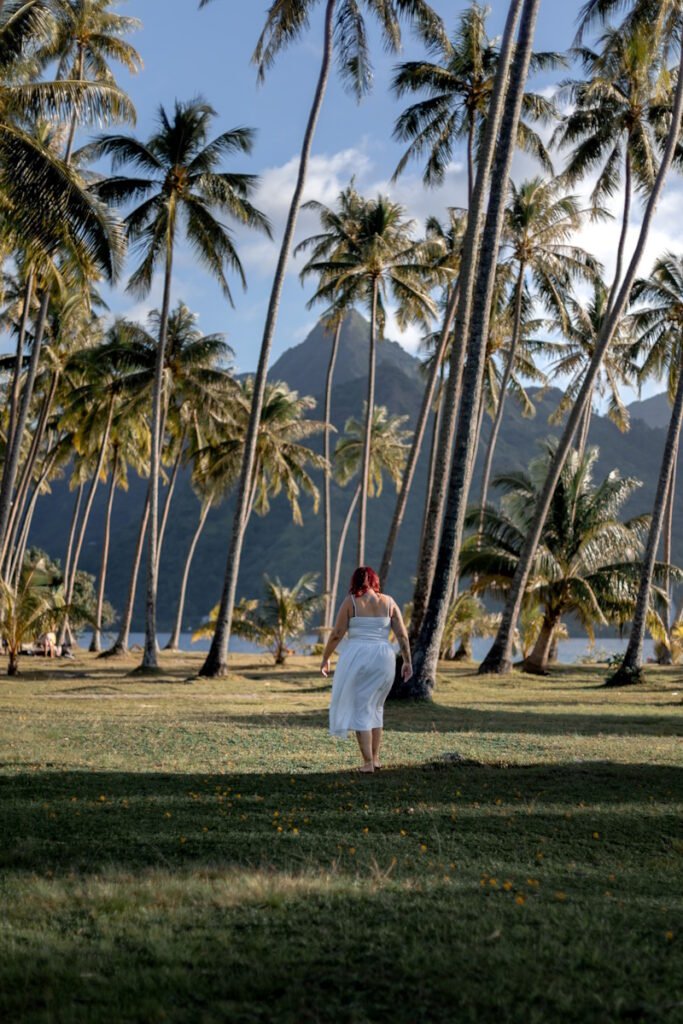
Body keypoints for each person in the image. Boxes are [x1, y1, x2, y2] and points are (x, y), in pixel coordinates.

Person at [321, 565, 412, 773]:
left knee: (361, 708)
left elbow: (336, 634)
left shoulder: (351, 602)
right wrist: (407, 661)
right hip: (384, 657)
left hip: (360, 656)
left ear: (355, 581)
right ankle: (376, 759)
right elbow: (402, 635)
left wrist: (326, 658)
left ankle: (368, 763)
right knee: (376, 707)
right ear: (374, 581)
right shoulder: (388, 602)